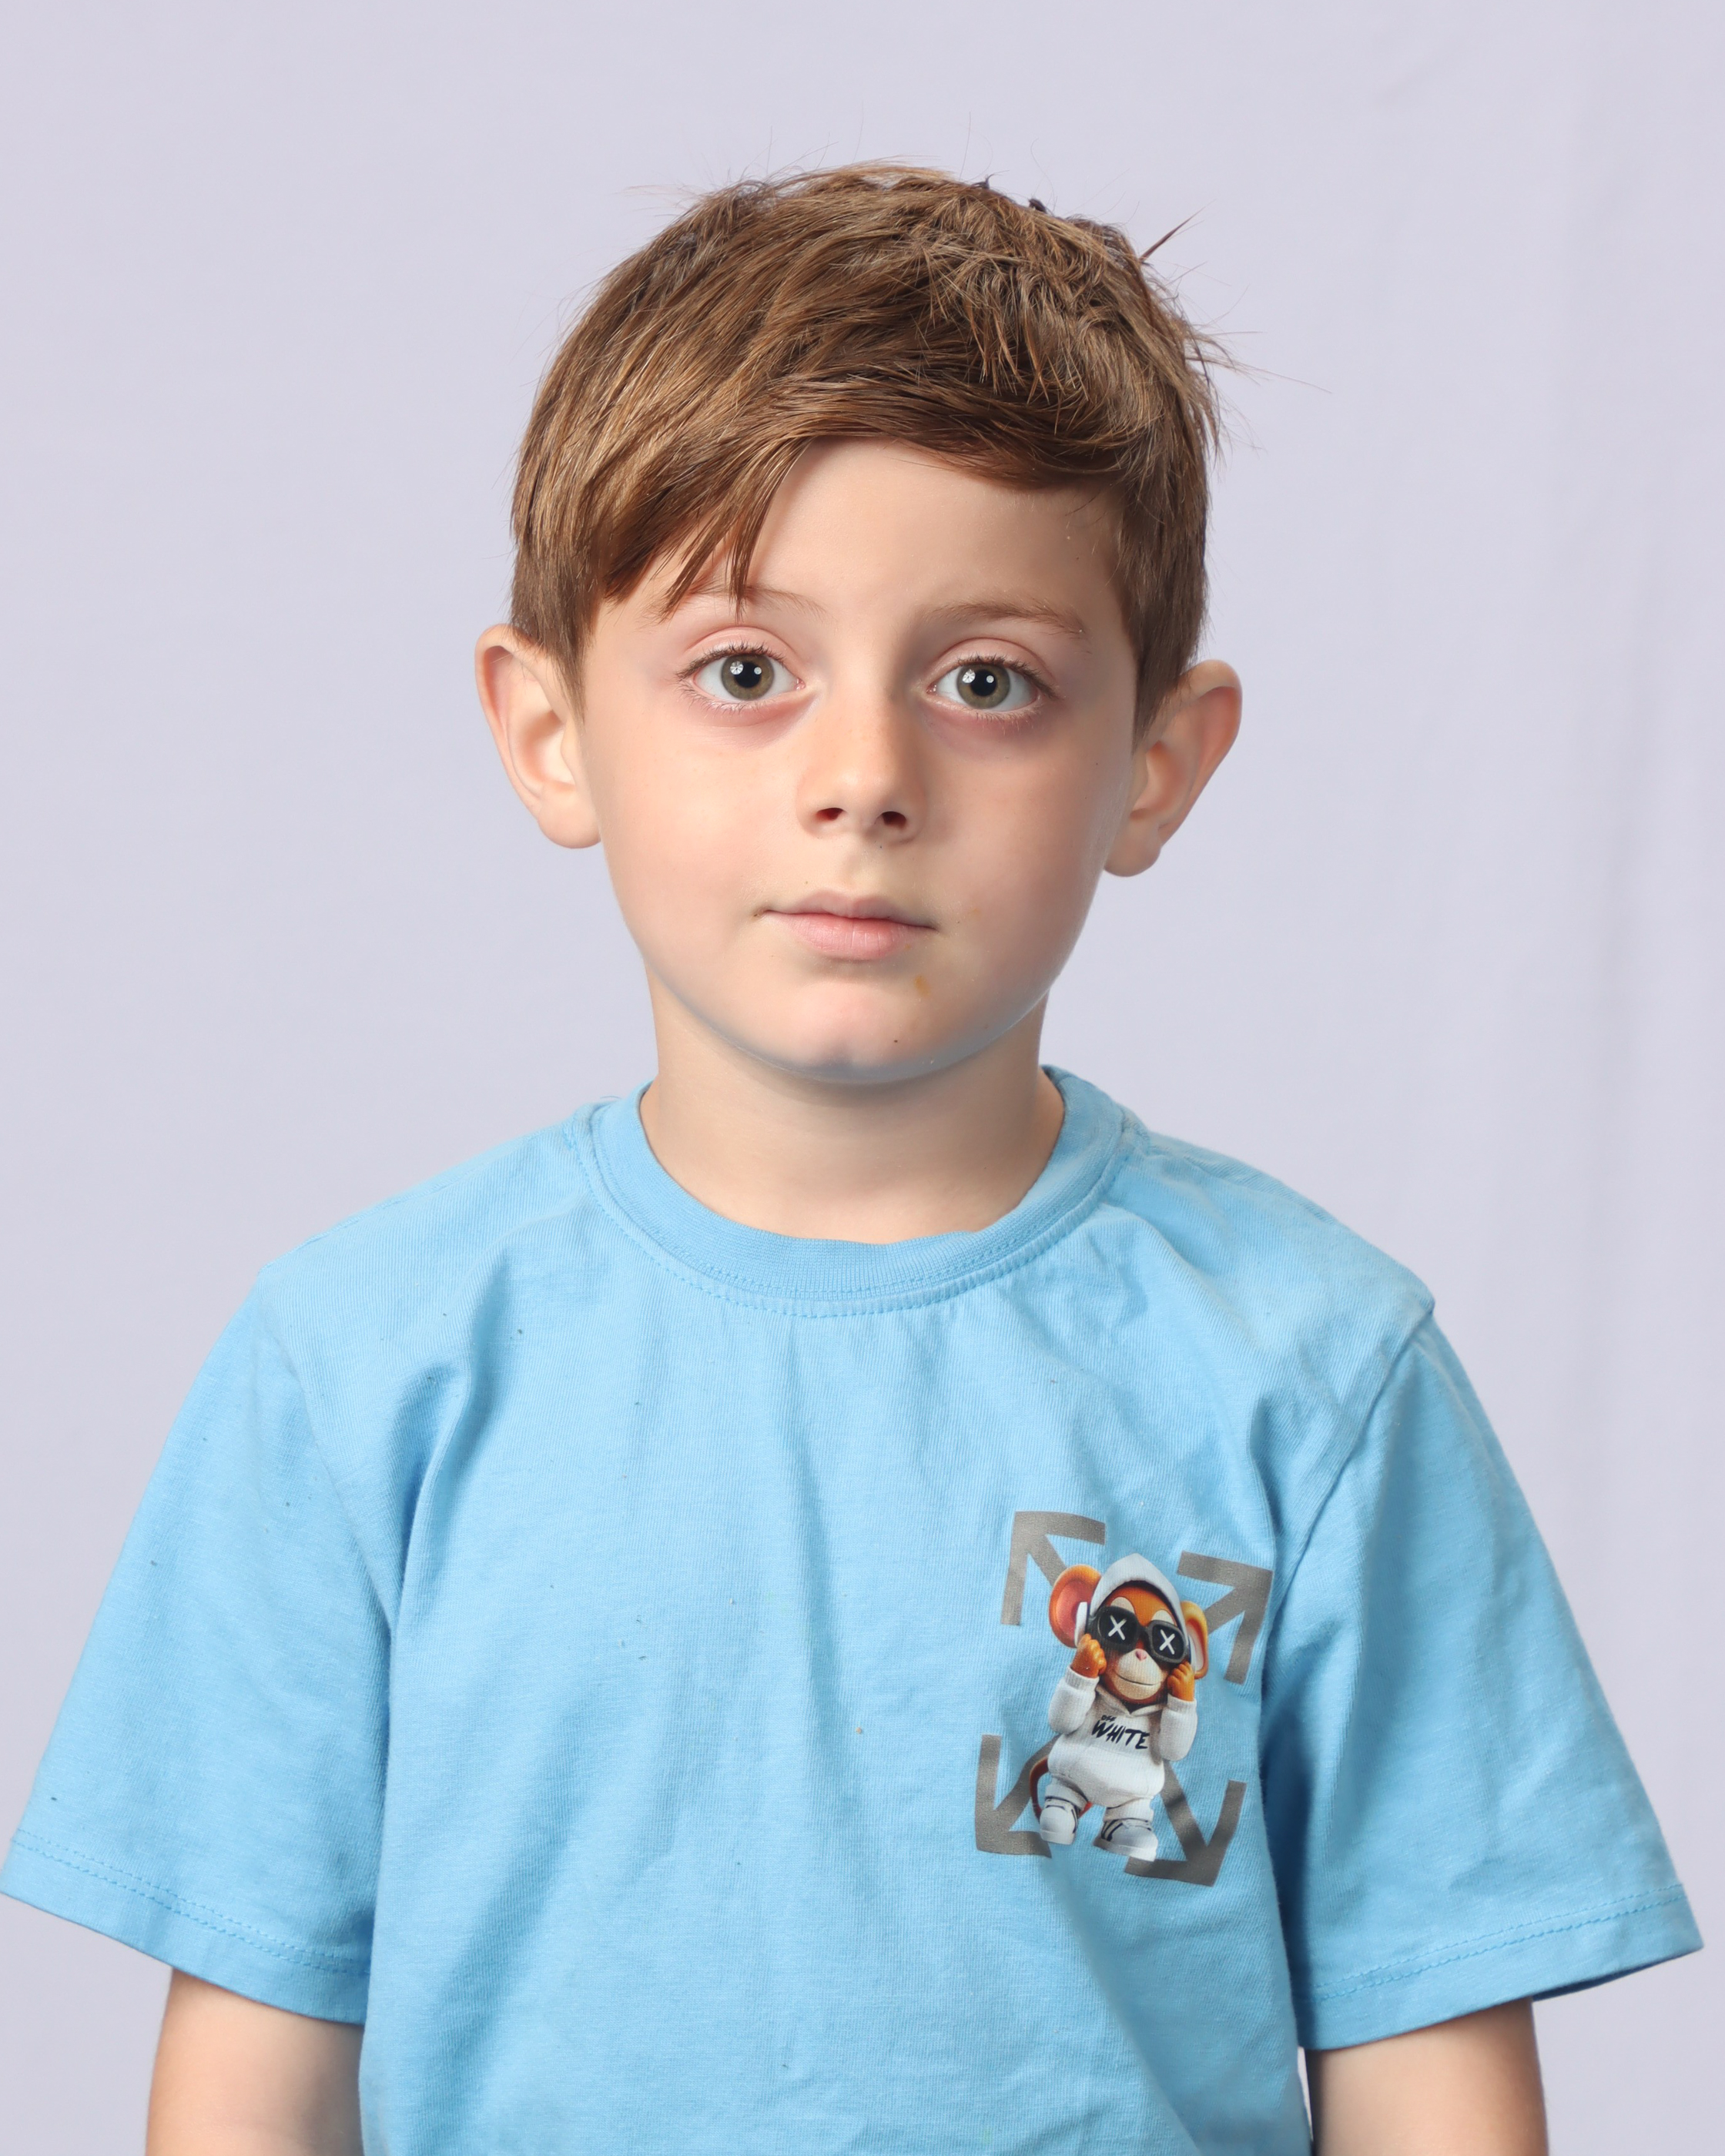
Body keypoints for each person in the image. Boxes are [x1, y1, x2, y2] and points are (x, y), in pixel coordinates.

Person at [2, 165, 1698, 2156]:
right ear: (549, 731)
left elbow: (1432, 2086)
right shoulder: (361, 1372)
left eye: (989, 683)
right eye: (747, 671)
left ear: (1157, 762)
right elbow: (253, 2085)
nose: (865, 779)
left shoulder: (1317, 1375)